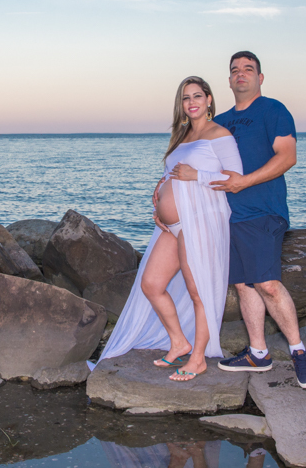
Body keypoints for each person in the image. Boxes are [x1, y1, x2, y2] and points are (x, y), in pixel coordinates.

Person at [174, 51, 306, 387]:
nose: (241, 74)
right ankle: (258, 353)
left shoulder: (274, 110)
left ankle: (298, 350)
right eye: (235, 70)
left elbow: (288, 157)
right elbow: (197, 162)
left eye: (248, 69)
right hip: (224, 216)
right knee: (242, 283)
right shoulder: (219, 121)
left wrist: (244, 181)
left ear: (260, 78)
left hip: (262, 210)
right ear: (227, 81)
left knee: (266, 282)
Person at [98, 76, 243, 381]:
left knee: (197, 290)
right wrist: (159, 193)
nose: (191, 103)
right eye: (186, 98)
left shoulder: (221, 135)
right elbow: (172, 173)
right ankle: (179, 341)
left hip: (200, 220)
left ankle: (199, 358)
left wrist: (196, 175)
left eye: (197, 96)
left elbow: (234, 179)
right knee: (150, 283)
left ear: (209, 100)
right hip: (172, 225)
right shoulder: (182, 136)